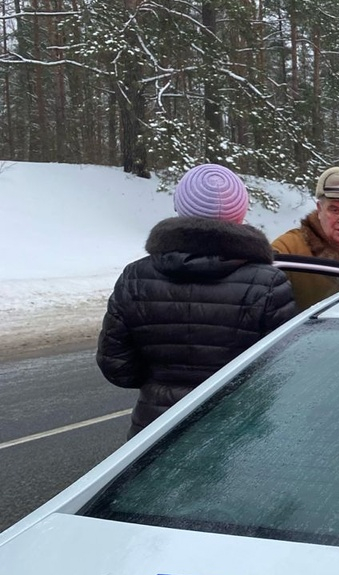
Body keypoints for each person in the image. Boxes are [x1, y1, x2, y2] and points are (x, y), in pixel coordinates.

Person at [96, 164, 298, 437]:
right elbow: (281, 371)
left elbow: (117, 366)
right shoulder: (268, 283)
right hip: (236, 433)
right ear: (240, 212)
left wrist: (161, 382)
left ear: (180, 207)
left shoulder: (135, 277)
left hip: (154, 431)